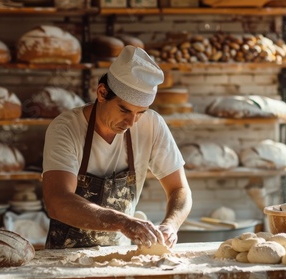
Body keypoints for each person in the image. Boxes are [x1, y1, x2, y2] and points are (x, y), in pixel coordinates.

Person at [42, 45, 193, 249]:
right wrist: (123, 222)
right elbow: (57, 201)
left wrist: (171, 225)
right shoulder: (66, 128)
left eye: (140, 112)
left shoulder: (152, 125)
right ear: (102, 93)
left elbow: (180, 189)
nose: (131, 122)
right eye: (124, 110)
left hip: (117, 254)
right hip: (65, 258)